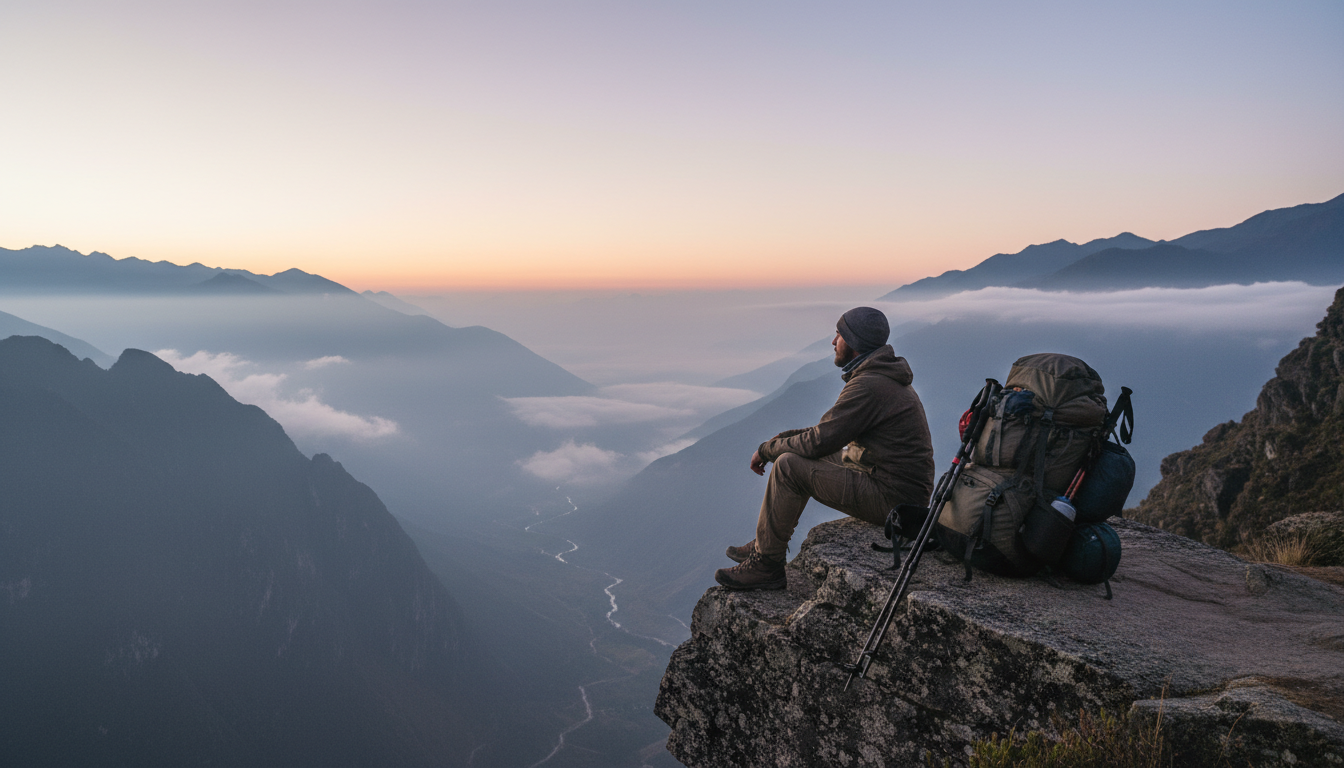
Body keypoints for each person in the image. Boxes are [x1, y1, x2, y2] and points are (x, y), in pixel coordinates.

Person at [714, 307, 935, 590]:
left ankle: (766, 566)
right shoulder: (878, 377)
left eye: (838, 335)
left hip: (894, 500)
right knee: (810, 455)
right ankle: (765, 542)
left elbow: (818, 441)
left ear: (853, 342)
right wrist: (782, 440)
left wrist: (769, 450)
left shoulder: (869, 385)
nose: (833, 341)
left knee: (788, 467)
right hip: (893, 485)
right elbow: (829, 433)